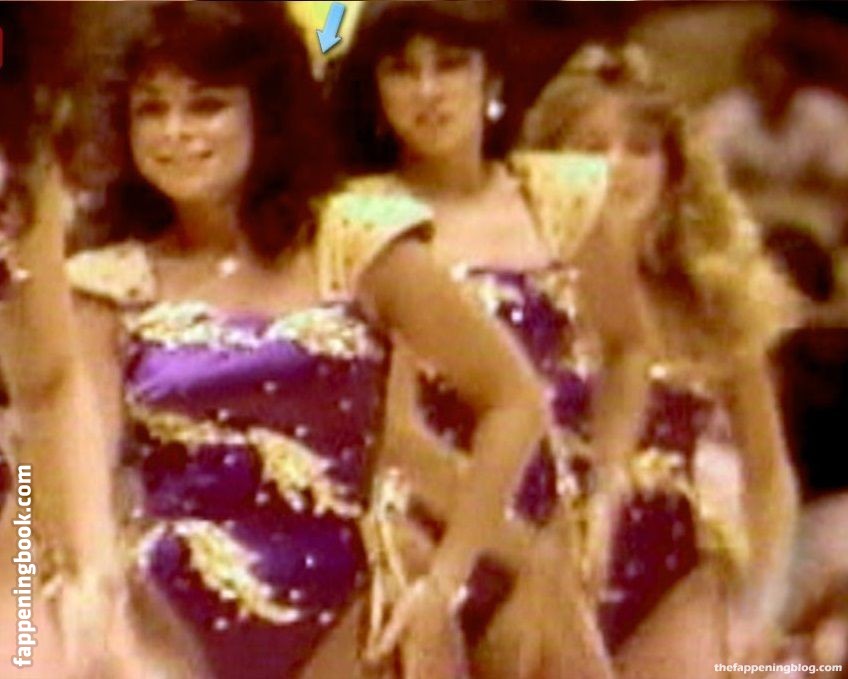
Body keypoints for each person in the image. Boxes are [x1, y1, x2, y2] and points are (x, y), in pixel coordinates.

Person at [1, 3, 547, 677]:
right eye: (152, 110)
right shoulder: (108, 284)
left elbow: (514, 399)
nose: (176, 132)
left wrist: (444, 582)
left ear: (268, 110)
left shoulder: (356, 246)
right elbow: (63, 453)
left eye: (206, 106)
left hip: (354, 629)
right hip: (168, 634)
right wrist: (34, 624)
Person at [332, 4, 633, 677]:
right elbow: (395, 434)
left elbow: (628, 346)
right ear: (374, 90)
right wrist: (520, 553)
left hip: (549, 523)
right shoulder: (355, 222)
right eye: (402, 70)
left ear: (492, 79)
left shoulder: (555, 198)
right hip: (412, 535)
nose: (428, 90)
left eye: (450, 65)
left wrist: (604, 489)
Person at [522, 44, 800, 676]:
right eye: (591, 147)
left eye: (640, 148)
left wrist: (759, 610)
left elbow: (768, 474)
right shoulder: (514, 290)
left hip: (676, 579)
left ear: (674, 171)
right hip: (538, 574)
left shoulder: (711, 302)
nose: (616, 165)